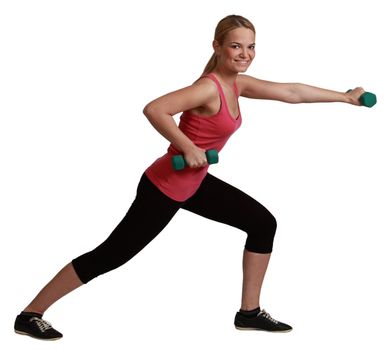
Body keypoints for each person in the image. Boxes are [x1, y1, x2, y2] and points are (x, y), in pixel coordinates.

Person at [14, 14, 366, 340]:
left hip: (195, 183)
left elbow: (291, 92)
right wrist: (186, 146)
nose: (245, 53)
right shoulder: (209, 88)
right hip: (165, 186)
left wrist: (343, 98)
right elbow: (155, 108)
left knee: (262, 223)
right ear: (217, 47)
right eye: (236, 46)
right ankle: (30, 314)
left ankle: (249, 312)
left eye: (251, 46)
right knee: (111, 255)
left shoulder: (236, 85)